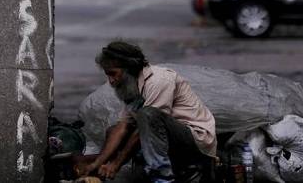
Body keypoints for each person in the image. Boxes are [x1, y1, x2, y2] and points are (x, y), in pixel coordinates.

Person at [77, 41, 216, 183]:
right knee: (114, 130)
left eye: (114, 74)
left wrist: (116, 163)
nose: (111, 81)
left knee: (147, 114)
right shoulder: (132, 86)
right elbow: (122, 127)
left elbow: (147, 125)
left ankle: (163, 178)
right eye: (108, 75)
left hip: (195, 139)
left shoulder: (159, 80)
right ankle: (114, 173)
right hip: (165, 136)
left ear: (129, 68)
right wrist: (97, 163)